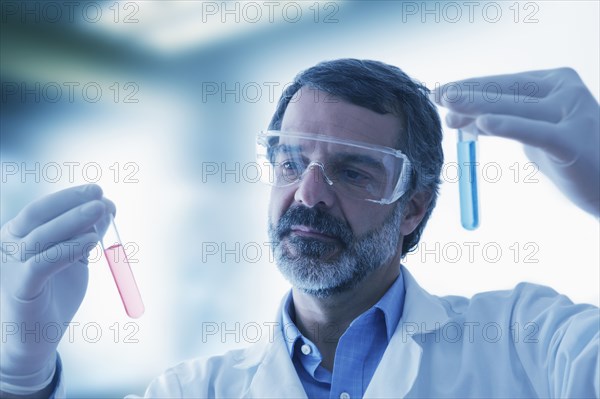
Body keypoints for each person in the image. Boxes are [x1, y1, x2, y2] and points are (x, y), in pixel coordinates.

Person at [1, 59, 598, 398]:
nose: (307, 193)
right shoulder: (194, 390)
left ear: (412, 206)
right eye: (290, 161)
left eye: (352, 169)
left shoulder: (529, 342)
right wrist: (20, 373)